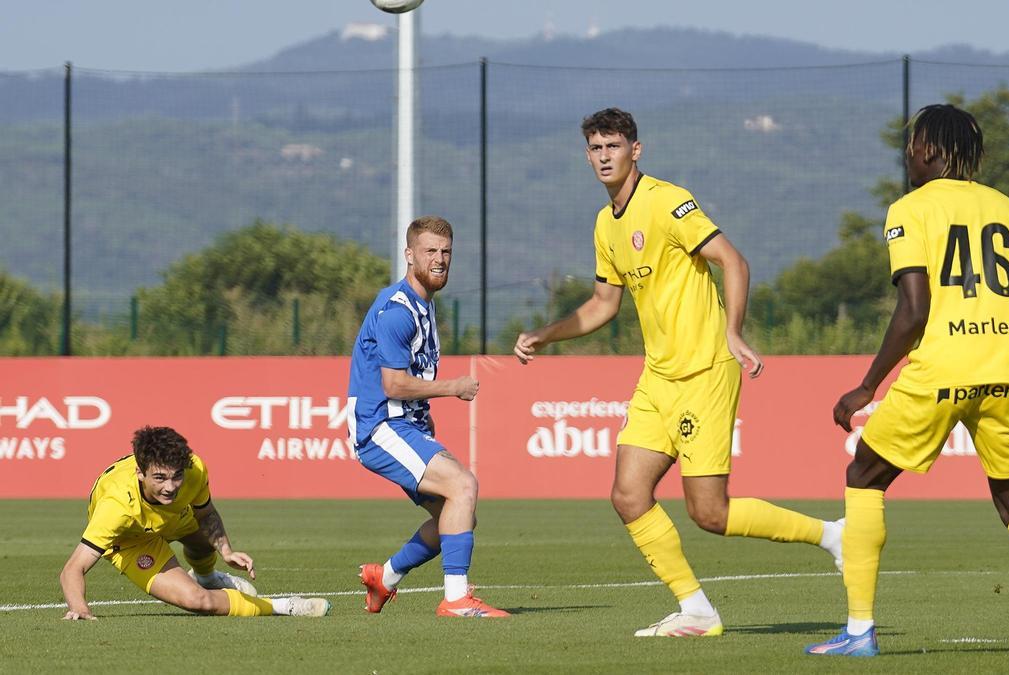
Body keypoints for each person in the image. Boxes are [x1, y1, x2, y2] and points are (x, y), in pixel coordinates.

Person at [513, 107, 843, 637]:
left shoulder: (666, 201)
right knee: (627, 495)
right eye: (595, 148)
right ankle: (696, 609)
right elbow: (602, 303)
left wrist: (734, 332)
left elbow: (733, 262)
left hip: (705, 369)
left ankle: (833, 535)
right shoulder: (604, 224)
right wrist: (545, 335)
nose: (603, 156)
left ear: (635, 150)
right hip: (659, 377)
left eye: (613, 146)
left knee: (709, 513)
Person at [807, 104, 1009, 658]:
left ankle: (859, 632)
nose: (908, 155)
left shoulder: (909, 209)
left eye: (911, 146)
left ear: (927, 149)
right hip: (1007, 367)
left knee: (864, 476)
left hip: (943, 366)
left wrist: (867, 386)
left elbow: (914, 309)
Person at [351, 215, 509, 618]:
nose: (439, 259)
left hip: (406, 425)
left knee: (456, 516)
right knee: (463, 485)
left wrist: (427, 421)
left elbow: (411, 380)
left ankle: (382, 578)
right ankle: (456, 599)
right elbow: (393, 385)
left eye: (446, 252)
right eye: (430, 251)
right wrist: (453, 388)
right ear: (409, 254)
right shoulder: (398, 310)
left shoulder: (425, 307)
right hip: (380, 426)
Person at [59, 425, 330, 620]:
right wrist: (79, 608)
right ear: (140, 472)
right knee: (196, 601)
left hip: (173, 517)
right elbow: (73, 568)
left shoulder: (193, 470)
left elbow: (206, 515)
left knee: (203, 544)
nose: (170, 487)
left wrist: (226, 551)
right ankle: (285, 606)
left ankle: (208, 577)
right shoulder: (115, 507)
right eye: (160, 478)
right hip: (130, 540)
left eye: (176, 476)